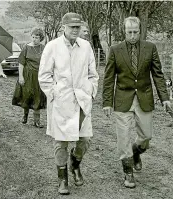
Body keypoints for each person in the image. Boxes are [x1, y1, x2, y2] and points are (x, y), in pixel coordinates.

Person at [102, 16, 171, 188]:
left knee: (146, 136)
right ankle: (128, 173)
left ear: (140, 31)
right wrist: (107, 102)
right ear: (124, 31)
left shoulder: (150, 48)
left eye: (135, 32)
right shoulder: (115, 50)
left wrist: (165, 99)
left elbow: (158, 75)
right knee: (123, 137)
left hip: (144, 98)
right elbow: (109, 78)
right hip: (122, 100)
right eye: (129, 32)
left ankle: (136, 152)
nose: (132, 35)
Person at [39, 12, 99, 195]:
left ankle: (75, 163)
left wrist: (91, 92)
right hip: (61, 102)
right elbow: (44, 76)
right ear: (63, 27)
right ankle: (62, 179)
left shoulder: (86, 46)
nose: (75, 30)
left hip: (82, 100)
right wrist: (54, 94)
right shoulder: (52, 47)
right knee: (61, 142)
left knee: (85, 140)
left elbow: (93, 74)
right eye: (72, 27)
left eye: (78, 27)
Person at [12, 28, 46, 128]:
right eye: (33, 37)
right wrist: (21, 76)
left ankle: (37, 121)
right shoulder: (26, 47)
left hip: (39, 76)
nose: (34, 39)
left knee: (38, 96)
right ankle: (25, 116)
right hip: (27, 75)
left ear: (41, 38)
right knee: (27, 95)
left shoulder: (43, 48)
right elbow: (21, 63)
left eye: (37, 37)